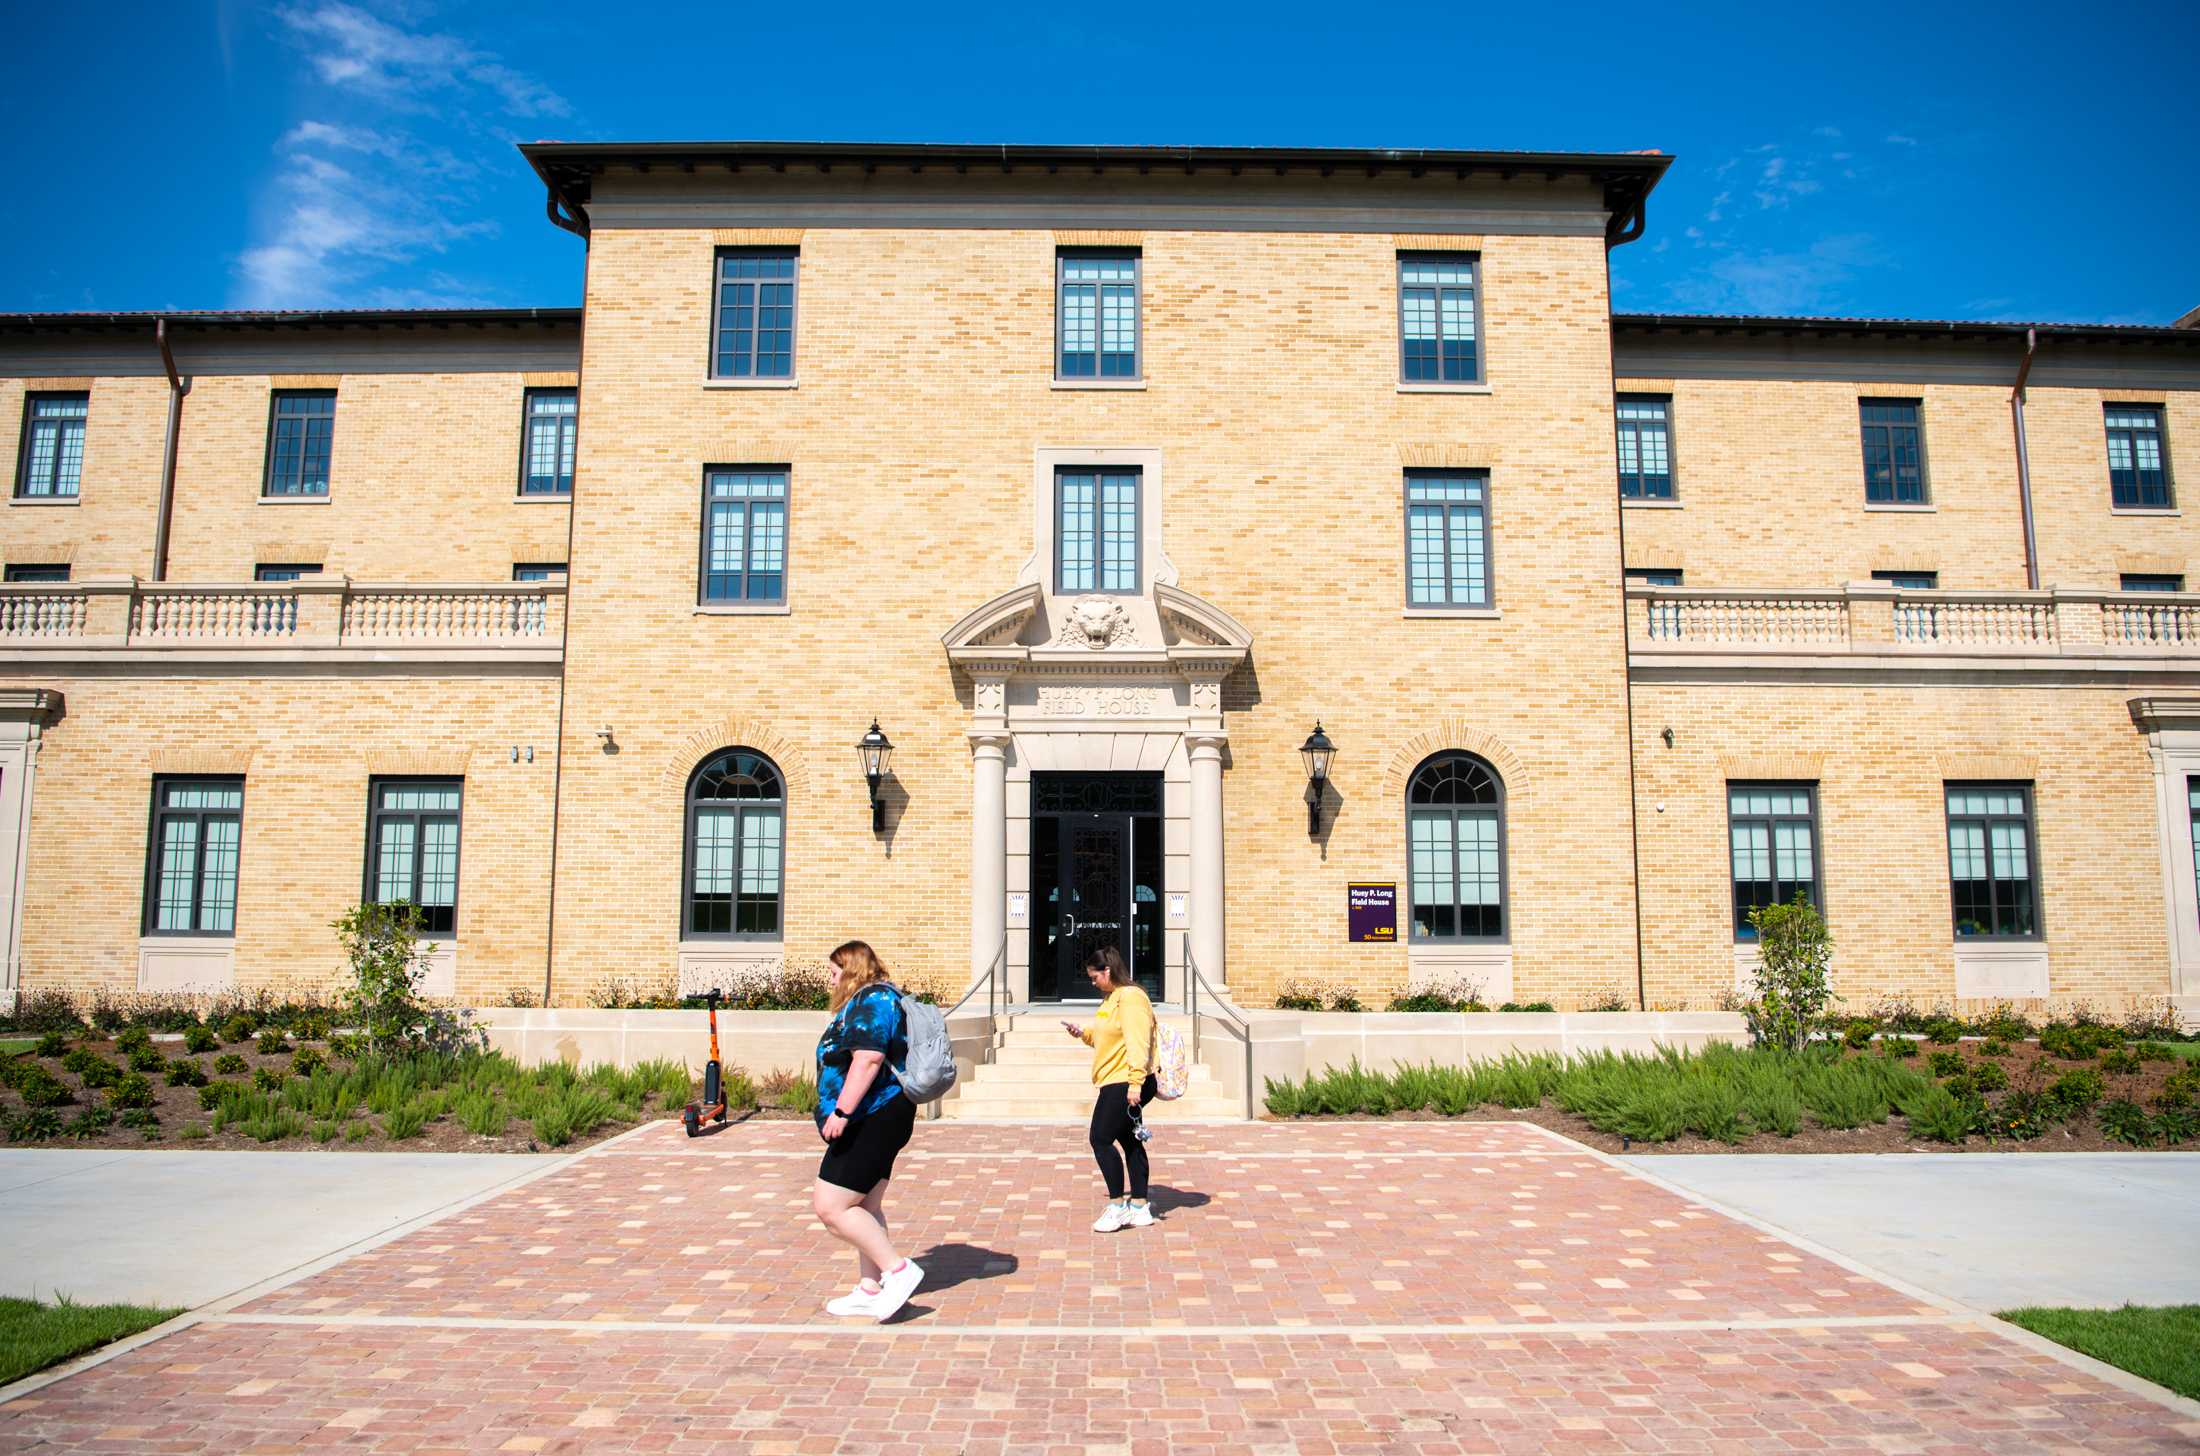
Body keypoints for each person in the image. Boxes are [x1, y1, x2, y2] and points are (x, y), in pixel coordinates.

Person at [810, 940, 923, 1320]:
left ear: (851, 968)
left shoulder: (872, 999)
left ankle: (899, 1270)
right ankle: (869, 1288)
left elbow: (869, 1058)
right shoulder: (875, 998)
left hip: (870, 1116)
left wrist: (842, 1111)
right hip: (881, 1115)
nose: (830, 979)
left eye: (834, 971)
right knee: (865, 1205)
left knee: (830, 1206)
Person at [1061, 946, 1159, 1232]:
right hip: (1116, 1078)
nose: (1093, 983)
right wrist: (1084, 1033)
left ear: (1108, 971)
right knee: (1130, 1141)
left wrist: (1135, 1083)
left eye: (1095, 977)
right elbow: (1108, 1040)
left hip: (1125, 1081)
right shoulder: (1112, 999)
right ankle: (1139, 1206)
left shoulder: (1130, 998)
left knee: (1100, 1139)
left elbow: (1137, 1041)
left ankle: (1118, 1207)